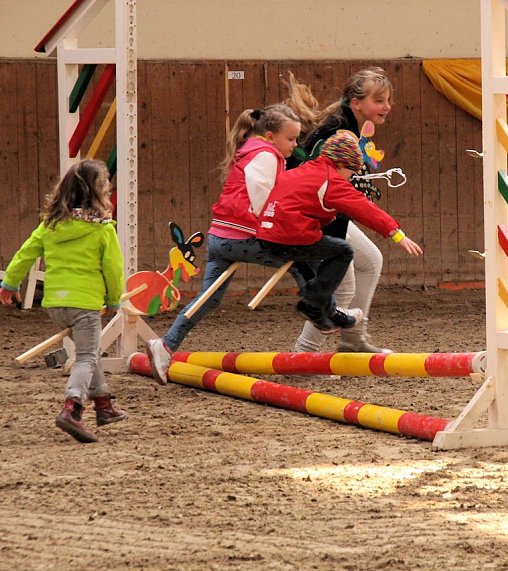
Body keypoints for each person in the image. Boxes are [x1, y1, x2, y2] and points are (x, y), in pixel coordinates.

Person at [145, 103, 361, 385]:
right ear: (271, 136)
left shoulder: (253, 152)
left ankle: (165, 346)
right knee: (302, 254)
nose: (295, 146)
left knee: (207, 300)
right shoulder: (265, 156)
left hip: (221, 237)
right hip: (242, 236)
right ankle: (326, 311)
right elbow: (263, 203)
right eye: (291, 139)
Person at [0, 159, 126, 443]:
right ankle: (73, 408)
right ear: (99, 193)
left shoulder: (50, 225)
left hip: (56, 305)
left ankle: (103, 405)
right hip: (86, 304)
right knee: (87, 356)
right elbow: (113, 269)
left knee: (88, 352)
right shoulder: (103, 229)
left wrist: (9, 284)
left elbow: (25, 253)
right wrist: (114, 300)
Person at [255, 130, 422, 326]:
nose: (351, 178)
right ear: (342, 164)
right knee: (343, 252)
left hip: (266, 236)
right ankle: (313, 300)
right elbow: (364, 208)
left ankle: (325, 311)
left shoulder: (301, 171)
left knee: (322, 259)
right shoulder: (331, 180)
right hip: (290, 237)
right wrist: (396, 233)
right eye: (351, 172)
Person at [284, 67, 397, 354]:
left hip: (319, 211)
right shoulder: (340, 131)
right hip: (307, 216)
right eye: (380, 101)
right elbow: (323, 183)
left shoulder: (347, 125)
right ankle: (304, 354)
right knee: (341, 284)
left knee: (370, 261)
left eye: (387, 100)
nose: (387, 107)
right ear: (357, 103)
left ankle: (352, 340)